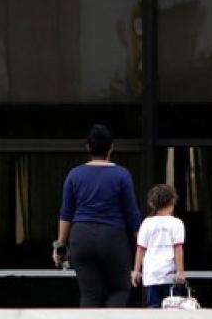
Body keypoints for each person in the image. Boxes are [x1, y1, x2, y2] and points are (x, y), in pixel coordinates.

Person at [53, 124, 143, 307]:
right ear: (111, 147)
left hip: (81, 237)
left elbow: (66, 213)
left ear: (88, 147)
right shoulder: (121, 175)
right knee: (119, 289)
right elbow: (132, 214)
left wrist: (60, 245)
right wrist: (143, 245)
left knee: (89, 295)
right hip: (113, 237)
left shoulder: (74, 174)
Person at [130, 183, 187, 308]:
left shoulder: (147, 223)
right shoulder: (176, 223)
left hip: (151, 274)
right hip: (170, 275)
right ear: (172, 201)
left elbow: (140, 249)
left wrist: (136, 270)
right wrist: (180, 271)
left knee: (153, 308)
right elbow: (178, 248)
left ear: (152, 203)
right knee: (172, 309)